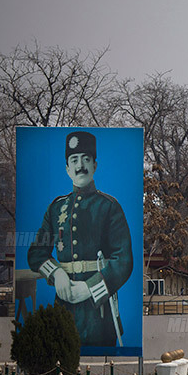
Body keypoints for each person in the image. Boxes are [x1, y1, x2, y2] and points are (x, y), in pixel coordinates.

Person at [28, 131, 133, 347]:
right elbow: (36, 253)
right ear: (67, 168)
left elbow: (123, 261)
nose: (80, 166)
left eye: (86, 159)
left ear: (95, 165)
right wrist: (57, 274)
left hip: (98, 313)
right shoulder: (56, 208)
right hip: (63, 306)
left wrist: (90, 288)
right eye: (74, 160)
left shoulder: (109, 207)